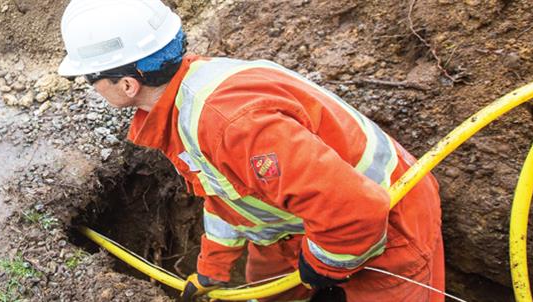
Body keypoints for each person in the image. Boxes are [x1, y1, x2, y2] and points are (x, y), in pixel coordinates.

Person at [56, 1, 444, 301]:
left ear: (127, 85)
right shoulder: (184, 104)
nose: (90, 87)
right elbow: (226, 199)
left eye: (91, 77)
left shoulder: (231, 124)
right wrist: (212, 271)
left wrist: (325, 265)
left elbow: (355, 211)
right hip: (302, 219)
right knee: (269, 287)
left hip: (388, 220)